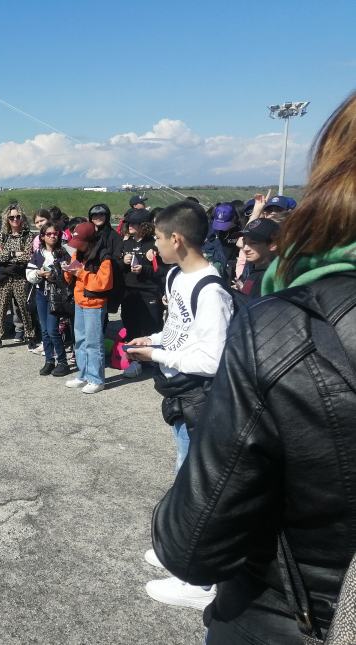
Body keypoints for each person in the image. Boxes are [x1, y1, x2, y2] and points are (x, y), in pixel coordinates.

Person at [151, 91, 356, 643]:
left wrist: (161, 354)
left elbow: (194, 539)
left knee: (194, 468)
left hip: (294, 613)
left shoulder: (281, 324)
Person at [125, 201, 233, 610]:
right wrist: (152, 341)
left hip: (201, 397)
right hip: (178, 395)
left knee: (199, 484)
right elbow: (177, 332)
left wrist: (157, 357)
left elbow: (212, 358)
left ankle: (198, 578)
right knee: (184, 473)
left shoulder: (212, 289)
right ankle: (181, 550)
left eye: (156, 237)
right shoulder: (175, 276)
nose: (153, 244)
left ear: (176, 239)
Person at [63, 222, 113, 394]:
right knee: (80, 341)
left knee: (93, 342)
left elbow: (103, 283)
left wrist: (81, 273)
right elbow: (71, 278)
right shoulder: (78, 252)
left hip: (95, 304)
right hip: (79, 301)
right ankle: (83, 374)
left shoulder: (104, 256)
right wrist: (68, 271)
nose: (77, 247)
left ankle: (96, 379)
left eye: (80, 243)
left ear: (90, 240)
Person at [119, 208, 167, 378]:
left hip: (149, 292)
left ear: (144, 226)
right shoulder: (126, 243)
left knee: (152, 326)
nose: (130, 226)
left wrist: (144, 270)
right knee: (131, 325)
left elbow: (162, 272)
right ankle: (136, 361)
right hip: (130, 292)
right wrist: (122, 262)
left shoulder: (153, 246)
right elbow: (117, 270)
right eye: (129, 223)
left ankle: (155, 361)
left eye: (134, 223)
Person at [27, 222, 72, 377]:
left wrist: (54, 275)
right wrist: (39, 274)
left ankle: (62, 361)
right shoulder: (38, 253)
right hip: (41, 294)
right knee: (45, 330)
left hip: (56, 296)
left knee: (53, 330)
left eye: (55, 234)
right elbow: (29, 274)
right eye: (49, 234)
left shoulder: (63, 253)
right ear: (42, 237)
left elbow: (69, 275)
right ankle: (49, 361)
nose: (53, 236)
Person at [0, 204, 35, 350]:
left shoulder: (28, 236)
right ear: (7, 219)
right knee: (1, 308)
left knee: (24, 307)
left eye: (17, 216)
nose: (15, 219)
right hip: (4, 278)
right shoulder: (2, 236)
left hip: (20, 277)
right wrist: (15, 254)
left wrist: (7, 256)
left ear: (22, 218)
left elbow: (28, 256)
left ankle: (30, 336)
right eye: (11, 217)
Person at [234, 218, 279, 299]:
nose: (245, 248)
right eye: (245, 242)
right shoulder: (254, 269)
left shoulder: (269, 278)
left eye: (253, 243)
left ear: (273, 244)